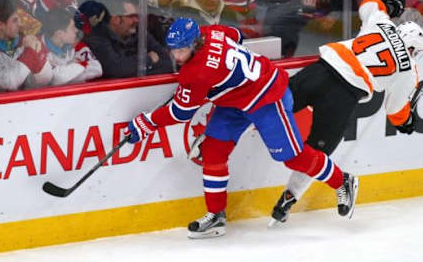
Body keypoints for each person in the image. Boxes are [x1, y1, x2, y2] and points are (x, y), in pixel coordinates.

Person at [125, 17, 359, 239]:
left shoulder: (196, 73)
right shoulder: (211, 32)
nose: (176, 56)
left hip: (267, 97)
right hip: (235, 100)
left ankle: (342, 181)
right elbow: (236, 35)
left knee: (292, 157)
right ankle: (216, 216)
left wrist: (145, 123)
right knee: (213, 152)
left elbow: (181, 112)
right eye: (174, 50)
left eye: (182, 50)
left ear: (195, 44)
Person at [268, 0, 423, 225]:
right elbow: (395, 112)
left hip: (321, 71)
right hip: (343, 95)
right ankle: (288, 199)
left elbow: (368, 3)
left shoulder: (382, 22)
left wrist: (388, 4)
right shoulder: (409, 69)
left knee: (269, 105)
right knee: (317, 152)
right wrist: (408, 122)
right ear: (415, 50)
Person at [0, 0, 53, 95]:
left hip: (11, 100)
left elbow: (46, 78)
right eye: (15, 21)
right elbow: (9, 83)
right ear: (1, 25)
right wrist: (30, 53)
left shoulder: (20, 41)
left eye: (19, 20)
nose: (20, 24)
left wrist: (38, 54)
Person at [80, 0, 173, 78]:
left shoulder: (139, 32)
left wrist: (134, 68)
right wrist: (147, 59)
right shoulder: (97, 38)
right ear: (116, 19)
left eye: (137, 16)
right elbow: (116, 69)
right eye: (132, 16)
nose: (137, 20)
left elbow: (167, 62)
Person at [40, 8, 102, 86]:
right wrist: (81, 64)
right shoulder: (37, 49)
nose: (76, 30)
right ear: (60, 34)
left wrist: (68, 71)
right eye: (72, 27)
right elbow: (56, 79)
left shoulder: (76, 44)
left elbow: (97, 68)